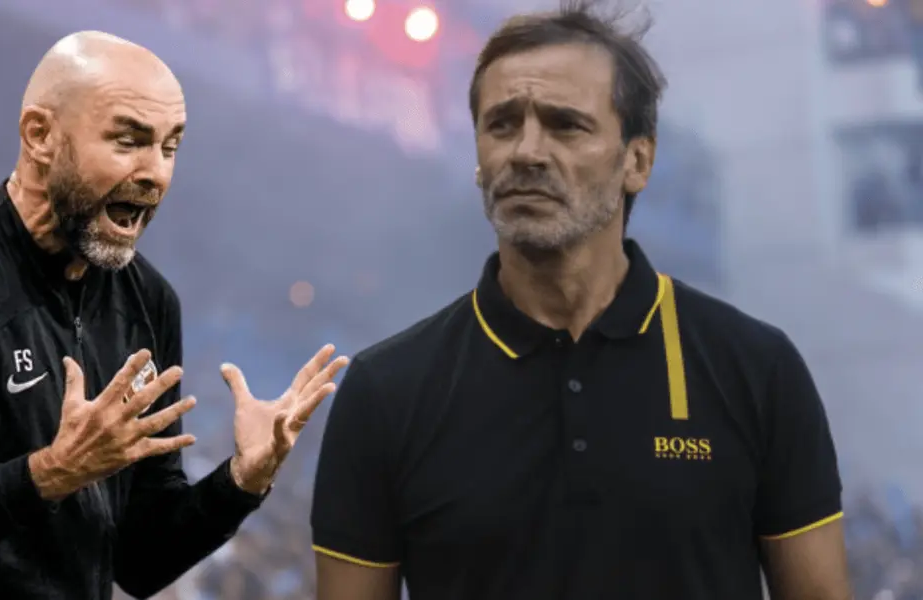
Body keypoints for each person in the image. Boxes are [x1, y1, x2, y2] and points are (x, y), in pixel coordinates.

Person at [310, 2, 851, 599]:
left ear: (637, 161)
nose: (526, 152)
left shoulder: (756, 368)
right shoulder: (385, 390)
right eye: (502, 125)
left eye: (565, 125)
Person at [0, 31, 347, 599]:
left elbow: (140, 561)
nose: (156, 173)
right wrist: (51, 472)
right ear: (39, 136)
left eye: (169, 147)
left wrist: (240, 481)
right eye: (128, 141)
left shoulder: (149, 304)